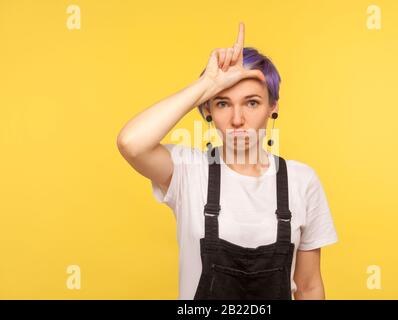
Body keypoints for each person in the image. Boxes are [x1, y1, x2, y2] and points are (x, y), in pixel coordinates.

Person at [116, 22, 338, 300]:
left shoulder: (301, 181)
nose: (237, 119)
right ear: (207, 109)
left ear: (273, 106)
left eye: (252, 102)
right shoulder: (189, 171)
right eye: (222, 103)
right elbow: (131, 143)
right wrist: (207, 85)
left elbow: (308, 287)